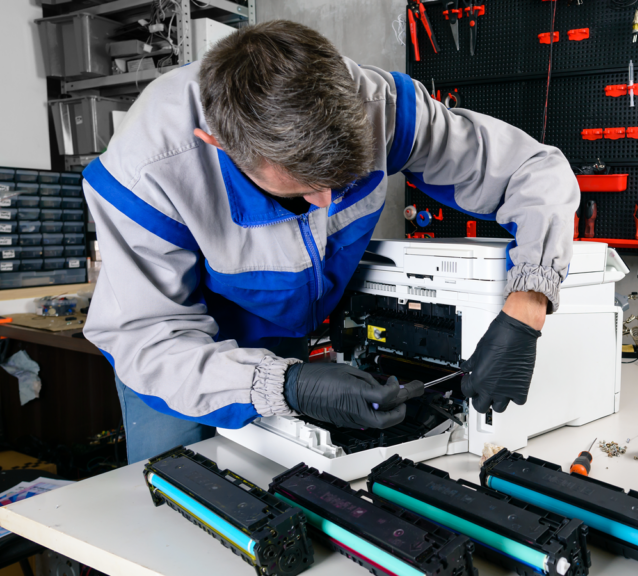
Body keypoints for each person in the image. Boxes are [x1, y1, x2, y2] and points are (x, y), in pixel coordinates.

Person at [82, 20, 579, 464]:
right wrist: (286, 384)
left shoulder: (380, 107)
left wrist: (526, 308)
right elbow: (146, 338)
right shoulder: (147, 171)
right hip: (175, 363)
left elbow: (534, 171)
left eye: (344, 181)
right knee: (180, 489)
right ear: (221, 143)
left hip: (286, 336)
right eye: (300, 190)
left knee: (279, 483)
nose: (325, 203)